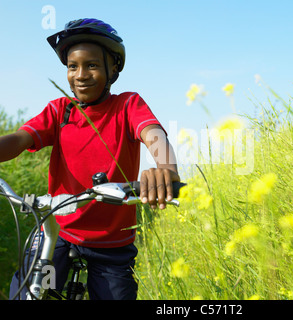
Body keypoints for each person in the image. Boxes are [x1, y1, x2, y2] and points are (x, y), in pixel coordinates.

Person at [1, 18, 180, 300]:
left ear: (114, 70)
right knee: (29, 291)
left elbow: (152, 133)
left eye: (92, 65)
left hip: (112, 243)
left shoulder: (127, 105)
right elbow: (20, 139)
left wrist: (166, 168)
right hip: (57, 231)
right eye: (73, 66)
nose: (80, 74)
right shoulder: (61, 110)